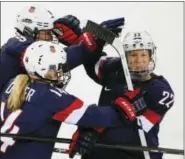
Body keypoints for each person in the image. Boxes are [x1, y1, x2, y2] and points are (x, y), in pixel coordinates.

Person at [0, 41, 138, 159]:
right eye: (57, 68)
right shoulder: (49, 96)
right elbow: (89, 115)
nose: (61, 72)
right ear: (42, 69)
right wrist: (121, 111)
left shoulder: (14, 83)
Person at [69, 31, 175, 159]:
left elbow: (122, 117)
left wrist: (90, 128)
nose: (138, 60)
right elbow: (91, 60)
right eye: (133, 55)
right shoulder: (113, 69)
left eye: (143, 54)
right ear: (125, 57)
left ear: (151, 56)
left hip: (136, 154)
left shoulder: (160, 90)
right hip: (99, 151)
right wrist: (86, 40)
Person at [0, 4, 124, 94]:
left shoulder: (16, 43)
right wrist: (91, 40)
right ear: (30, 31)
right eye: (46, 32)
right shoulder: (20, 47)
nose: (50, 37)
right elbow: (55, 61)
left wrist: (81, 42)